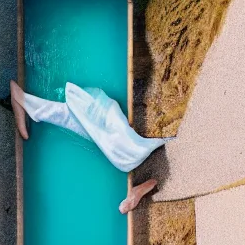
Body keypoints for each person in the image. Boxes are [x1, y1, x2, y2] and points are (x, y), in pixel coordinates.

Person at [10, 80, 174, 213]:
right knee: (122, 151)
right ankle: (26, 102)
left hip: (107, 117)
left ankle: (26, 102)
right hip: (108, 118)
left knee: (115, 148)